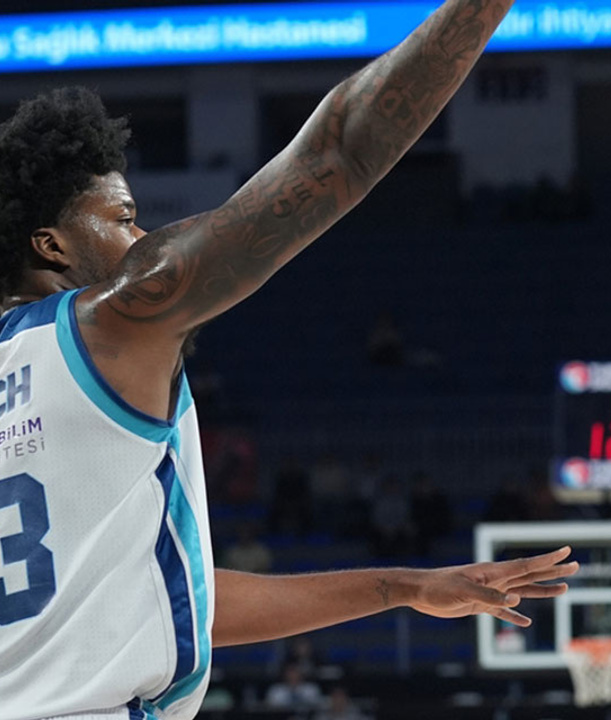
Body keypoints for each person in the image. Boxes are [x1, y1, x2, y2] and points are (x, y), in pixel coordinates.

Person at [0, 0, 579, 717]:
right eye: (122, 219)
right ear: (50, 244)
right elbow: (337, 152)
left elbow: (174, 603)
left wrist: (403, 587)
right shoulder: (111, 324)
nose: (139, 235)